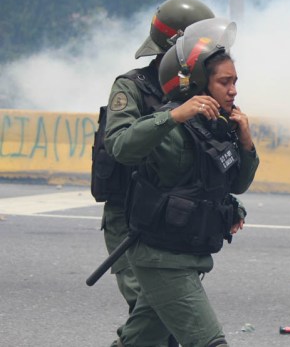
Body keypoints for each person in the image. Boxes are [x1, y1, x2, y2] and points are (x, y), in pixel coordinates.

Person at [106, 17, 259, 347]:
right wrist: (173, 116)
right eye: (225, 82)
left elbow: (232, 182)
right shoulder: (166, 116)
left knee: (143, 340)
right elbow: (122, 147)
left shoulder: (217, 124)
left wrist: (246, 142)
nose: (234, 90)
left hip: (186, 249)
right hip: (158, 250)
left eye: (235, 81)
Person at [94, 0, 215, 347]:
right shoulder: (133, 87)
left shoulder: (196, 89)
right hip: (131, 217)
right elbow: (120, 146)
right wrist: (170, 117)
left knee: (163, 321)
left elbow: (206, 157)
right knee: (157, 318)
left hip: (173, 222)